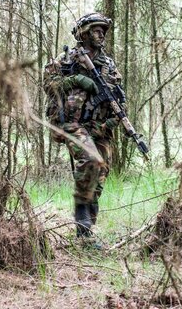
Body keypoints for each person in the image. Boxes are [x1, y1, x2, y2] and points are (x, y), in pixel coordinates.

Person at [44, 12, 123, 245]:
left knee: (99, 176)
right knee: (91, 160)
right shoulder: (66, 59)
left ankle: (86, 233)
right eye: (96, 31)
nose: (101, 35)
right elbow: (49, 86)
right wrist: (76, 80)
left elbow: (118, 97)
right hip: (72, 123)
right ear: (84, 33)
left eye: (103, 31)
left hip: (99, 127)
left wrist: (113, 121)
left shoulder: (108, 65)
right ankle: (82, 219)